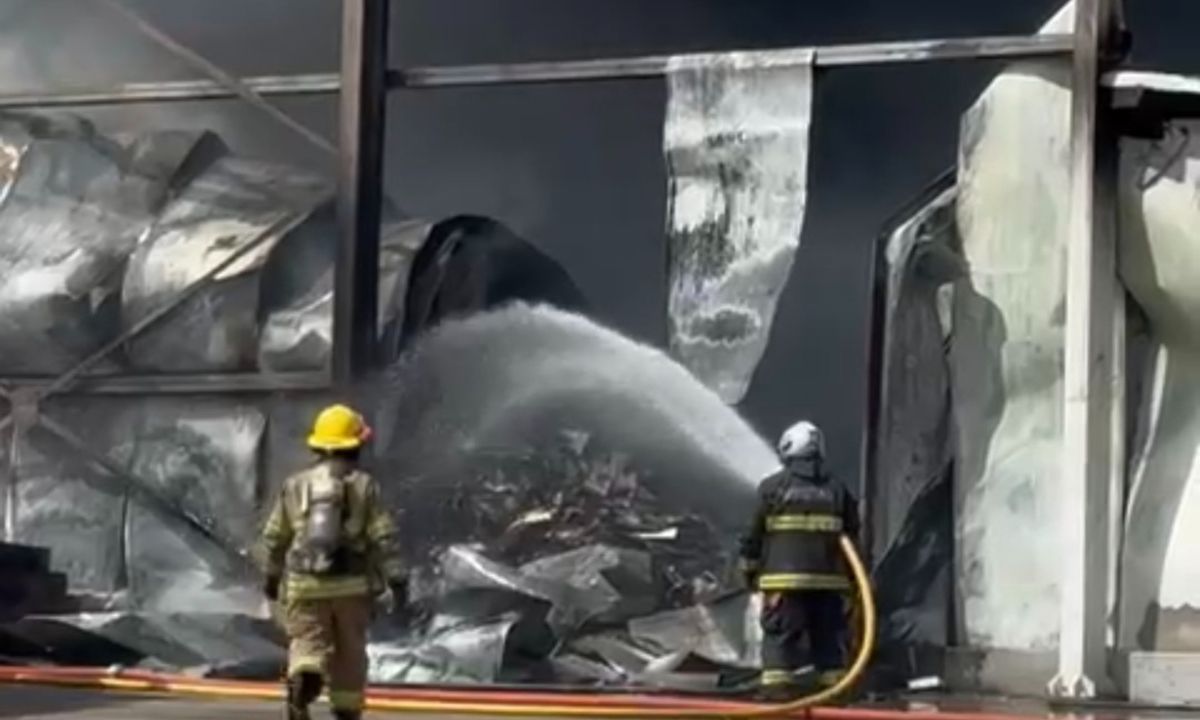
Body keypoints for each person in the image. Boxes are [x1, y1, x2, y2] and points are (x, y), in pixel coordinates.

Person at [260, 404, 408, 720]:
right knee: (350, 652)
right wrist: (397, 579)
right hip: (352, 589)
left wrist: (271, 576)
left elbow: (275, 536)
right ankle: (346, 708)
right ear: (356, 444)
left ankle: (304, 676)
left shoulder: (295, 485)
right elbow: (384, 537)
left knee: (307, 642)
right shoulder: (365, 486)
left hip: (304, 584)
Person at [739, 419, 859, 699]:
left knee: (781, 640)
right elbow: (853, 535)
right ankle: (834, 695)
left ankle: (777, 696)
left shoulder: (772, 488)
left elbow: (752, 535)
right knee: (828, 640)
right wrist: (853, 582)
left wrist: (748, 570)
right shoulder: (838, 489)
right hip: (829, 584)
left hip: (783, 584)